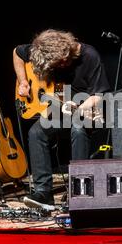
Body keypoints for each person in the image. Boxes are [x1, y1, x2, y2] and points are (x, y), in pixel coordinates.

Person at [13, 29, 111, 209]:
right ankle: (43, 192)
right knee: (36, 132)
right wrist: (23, 82)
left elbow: (99, 95)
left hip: (86, 109)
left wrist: (77, 108)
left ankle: (80, 189)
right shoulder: (42, 50)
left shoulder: (89, 56)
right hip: (60, 108)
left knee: (78, 128)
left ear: (64, 59)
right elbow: (17, 52)